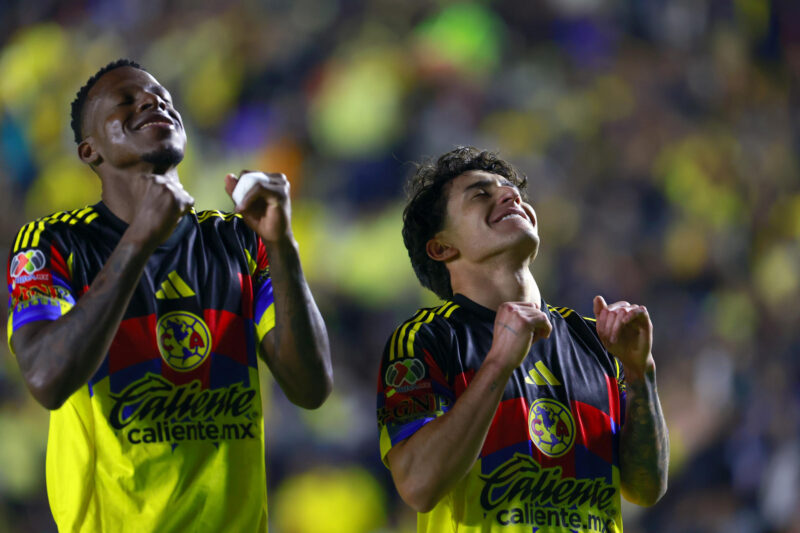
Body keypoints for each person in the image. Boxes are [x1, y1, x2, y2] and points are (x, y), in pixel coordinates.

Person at [6, 59, 333, 532]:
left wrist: (282, 245)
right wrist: (138, 241)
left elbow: (311, 387)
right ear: (90, 150)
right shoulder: (55, 242)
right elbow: (46, 378)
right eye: (125, 100)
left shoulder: (240, 241)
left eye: (163, 97)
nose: (152, 100)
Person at [376, 147, 668, 532]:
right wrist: (499, 364)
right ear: (442, 247)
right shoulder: (426, 339)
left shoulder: (595, 340)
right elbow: (418, 484)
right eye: (481, 194)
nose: (510, 195)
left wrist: (639, 374)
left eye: (512, 191)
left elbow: (645, 489)